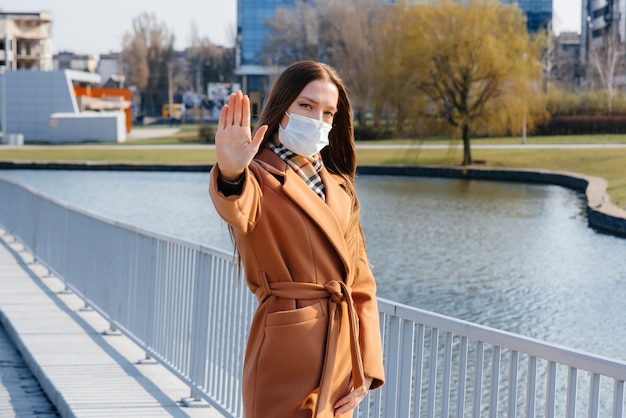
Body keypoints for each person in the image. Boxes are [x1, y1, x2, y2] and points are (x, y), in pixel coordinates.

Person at [208, 60, 384, 418]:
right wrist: (230, 171)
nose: (317, 119)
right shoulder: (257, 175)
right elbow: (237, 206)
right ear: (283, 107)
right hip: (286, 352)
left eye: (328, 112)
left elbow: (362, 284)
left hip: (340, 358)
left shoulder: (339, 188)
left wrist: (366, 368)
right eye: (306, 106)